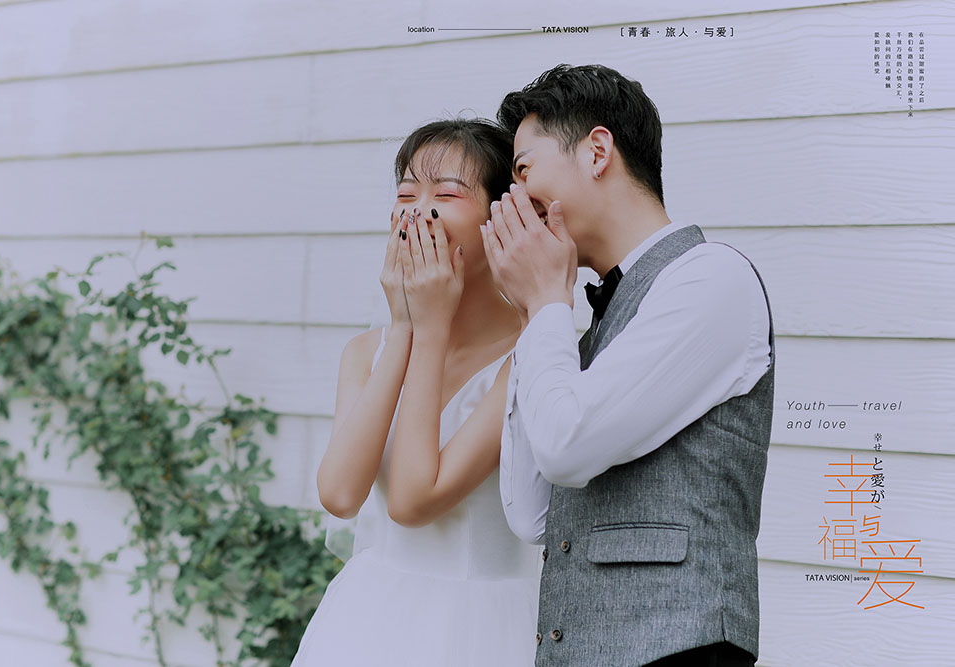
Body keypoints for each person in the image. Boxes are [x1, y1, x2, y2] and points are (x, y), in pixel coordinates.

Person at [481, 64, 775, 666]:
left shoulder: (711, 278)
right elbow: (532, 513)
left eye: (523, 169)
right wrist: (537, 312)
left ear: (597, 151)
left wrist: (546, 301)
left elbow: (566, 447)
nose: (514, 199)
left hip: (680, 651)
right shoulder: (582, 323)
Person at [292, 118, 543, 666]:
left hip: (485, 627)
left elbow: (413, 501)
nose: (417, 211)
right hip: (369, 619)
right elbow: (339, 494)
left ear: (502, 216)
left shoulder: (532, 354)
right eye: (406, 194)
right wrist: (405, 327)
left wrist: (428, 328)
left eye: (446, 195)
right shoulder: (366, 352)